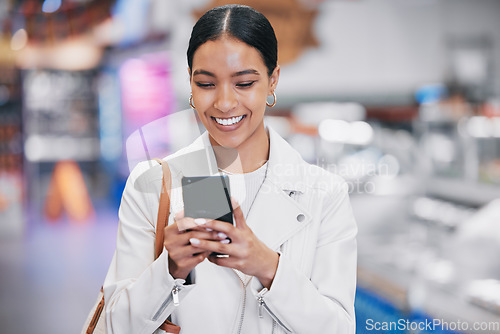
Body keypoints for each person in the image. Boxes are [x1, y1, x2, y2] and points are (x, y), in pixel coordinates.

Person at [102, 4, 357, 334]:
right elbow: (115, 326)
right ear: (190, 85)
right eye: (206, 84)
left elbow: (338, 328)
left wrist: (268, 266)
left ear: (272, 80)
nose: (224, 103)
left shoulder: (325, 194)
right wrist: (169, 269)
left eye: (244, 83)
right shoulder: (151, 184)